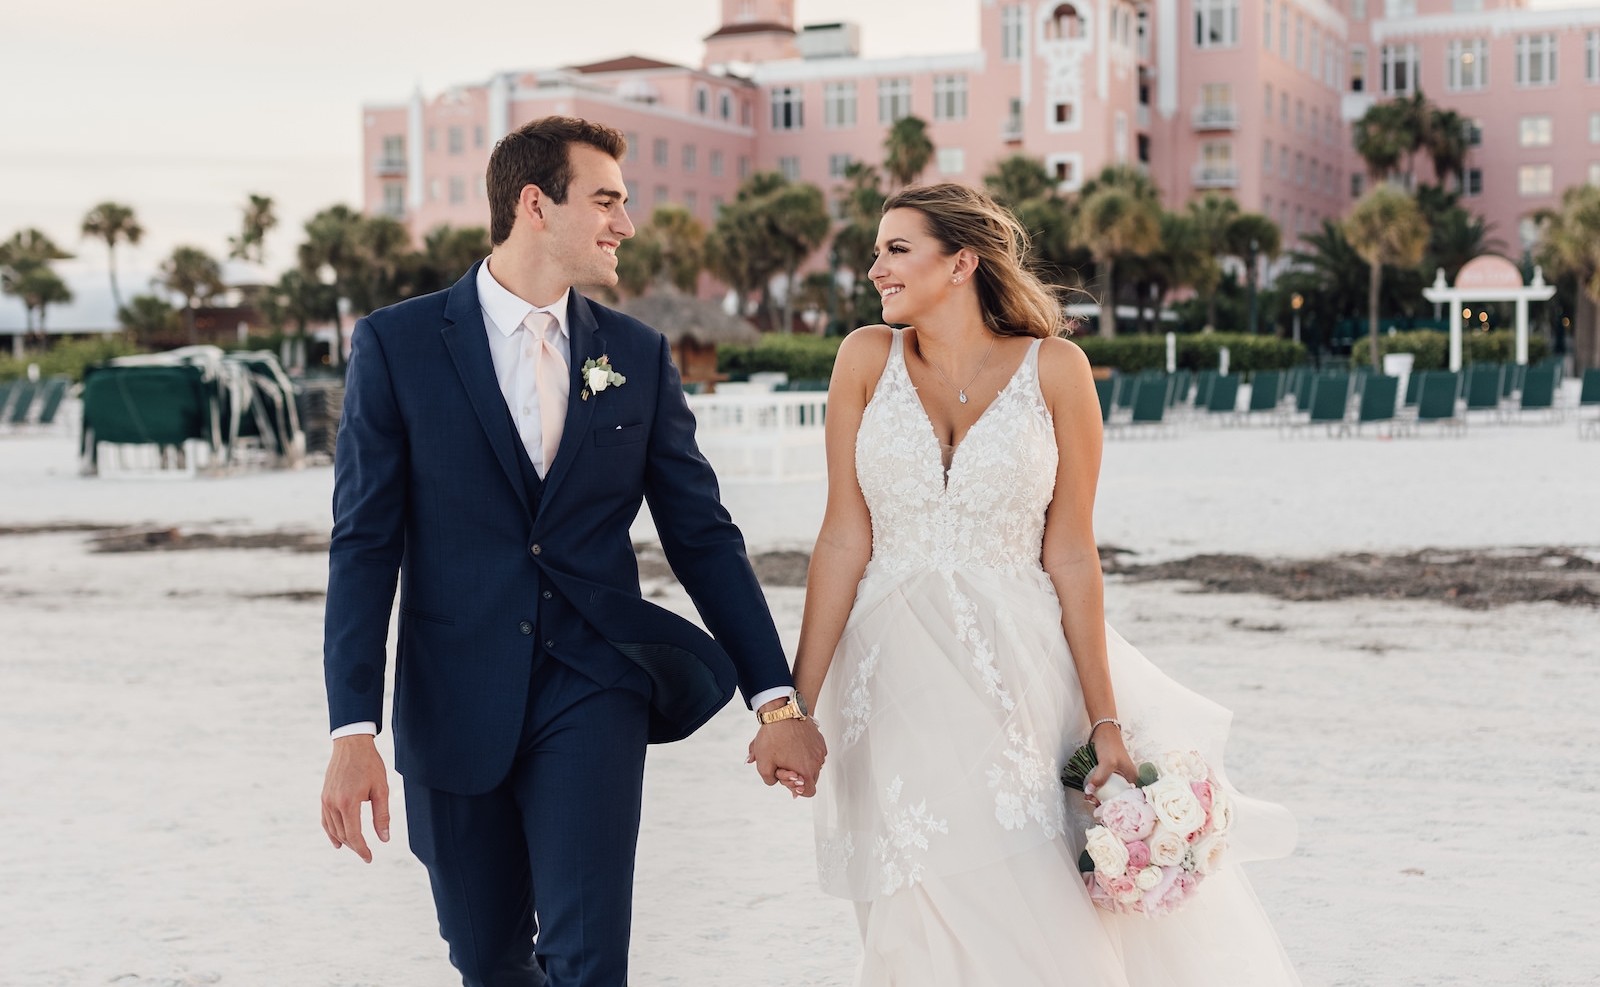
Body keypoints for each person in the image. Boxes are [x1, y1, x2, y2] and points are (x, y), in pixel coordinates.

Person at [318, 116, 826, 987]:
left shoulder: (636, 354)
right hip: (452, 696)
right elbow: (364, 542)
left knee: (589, 960)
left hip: (594, 684)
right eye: (606, 200)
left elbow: (701, 534)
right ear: (534, 205)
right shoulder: (397, 346)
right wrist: (352, 727)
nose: (624, 224)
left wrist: (775, 702)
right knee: (486, 959)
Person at [789, 183, 1300, 985]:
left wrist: (1105, 720)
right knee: (917, 905)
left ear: (961, 262)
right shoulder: (863, 358)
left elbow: (1071, 554)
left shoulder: (1057, 369)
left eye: (896, 248)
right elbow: (842, 539)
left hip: (1019, 676)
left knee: (1030, 904)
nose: (874, 267)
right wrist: (797, 705)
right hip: (886, 678)